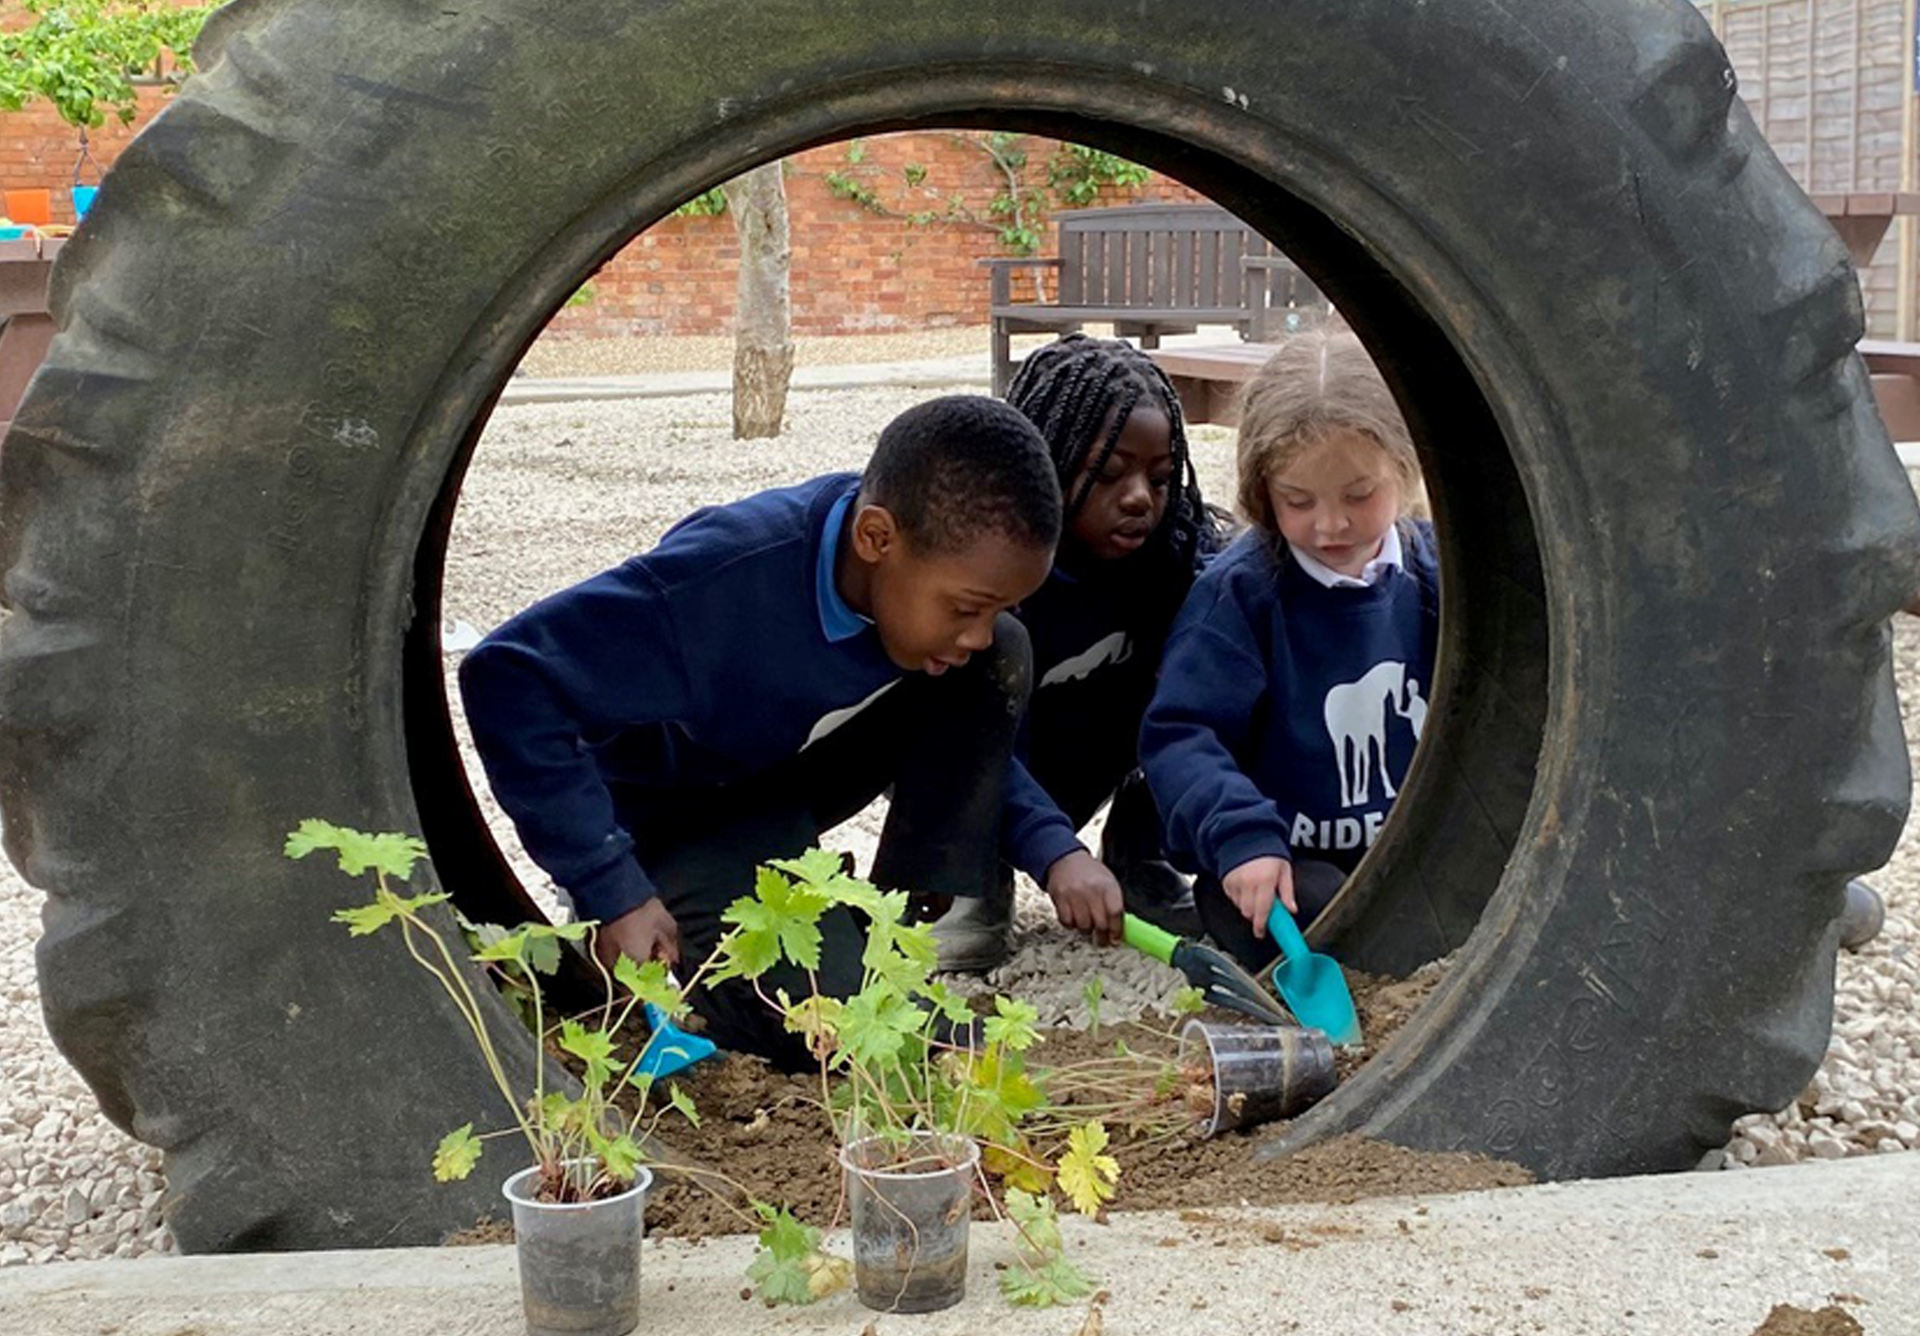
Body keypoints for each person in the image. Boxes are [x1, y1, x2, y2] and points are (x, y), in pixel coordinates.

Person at [459, 396, 1062, 1065]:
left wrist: (1055, 848)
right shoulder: (717, 587)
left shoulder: (917, 593)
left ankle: (895, 928)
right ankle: (617, 960)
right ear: (876, 538)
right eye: (965, 607)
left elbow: (970, 743)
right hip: (678, 816)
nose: (973, 631)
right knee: (841, 1029)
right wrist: (612, 886)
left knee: (1001, 654)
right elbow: (509, 676)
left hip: (774, 777)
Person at [1140, 330, 1439, 971]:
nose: (1331, 525)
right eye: (1298, 501)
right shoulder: (1240, 595)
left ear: (1406, 472)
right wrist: (1242, 839)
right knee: (1313, 914)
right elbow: (1181, 734)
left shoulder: (1440, 576)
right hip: (1281, 865)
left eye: (1360, 495)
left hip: (1411, 851)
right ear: (1262, 489)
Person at [931, 335, 1226, 971]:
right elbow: (964, 737)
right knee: (955, 707)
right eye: (1110, 473)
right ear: (1046, 460)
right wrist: (1053, 851)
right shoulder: (988, 581)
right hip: (989, 759)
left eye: (1159, 476)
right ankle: (969, 878)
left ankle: (1142, 857)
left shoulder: (1177, 566)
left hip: (1095, 757)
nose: (1140, 497)